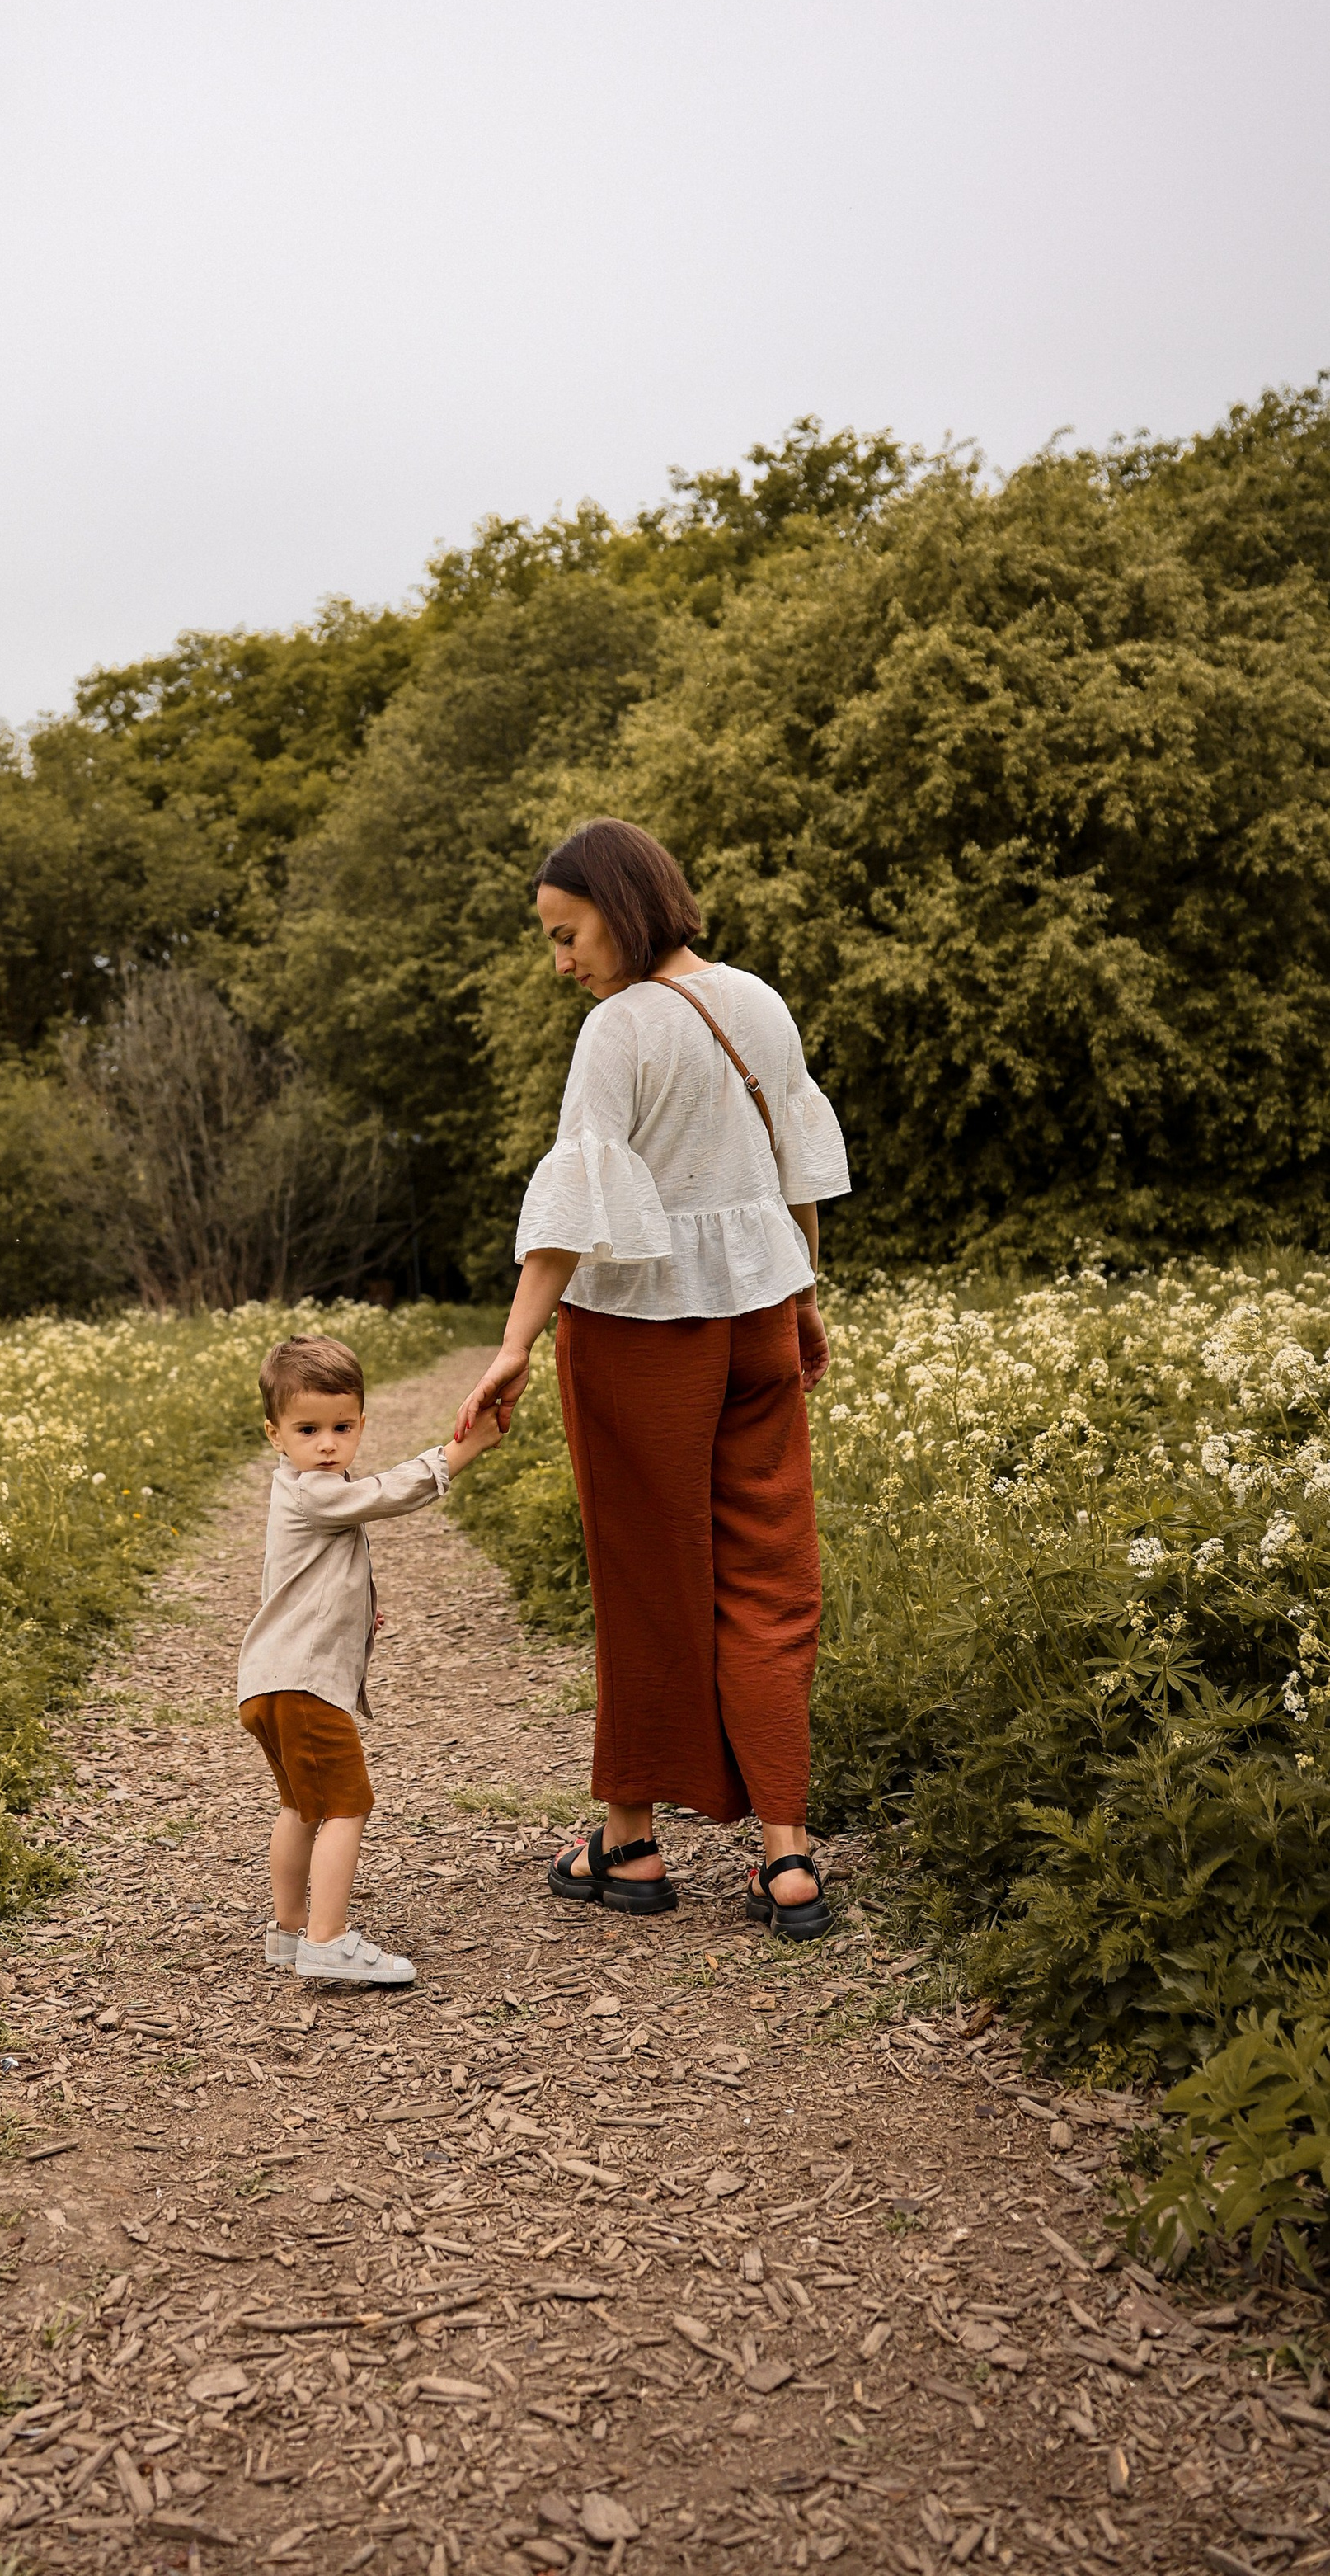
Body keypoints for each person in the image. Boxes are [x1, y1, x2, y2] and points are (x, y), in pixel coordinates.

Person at [454, 817, 849, 1943]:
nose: (562, 961)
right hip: (762, 1318)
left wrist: (517, 1342)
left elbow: (574, 1208)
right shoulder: (760, 1001)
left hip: (640, 1338)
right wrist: (807, 1294)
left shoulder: (619, 1032)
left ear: (619, 910)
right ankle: (786, 1857)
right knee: (773, 1576)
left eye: (567, 934)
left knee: (646, 1575)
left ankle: (629, 1840)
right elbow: (798, 1167)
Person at [239, 1333, 501, 1986]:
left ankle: (289, 1932)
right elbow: (389, 1494)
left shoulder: (297, 1494)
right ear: (274, 1434)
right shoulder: (314, 1492)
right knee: (347, 1807)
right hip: (303, 1688)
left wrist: (356, 1613)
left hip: (268, 1684)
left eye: (341, 1427)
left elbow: (301, 1583)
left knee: (302, 1808)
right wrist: (459, 1451)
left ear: (360, 1423)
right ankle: (327, 1940)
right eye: (307, 1429)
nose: (326, 1445)